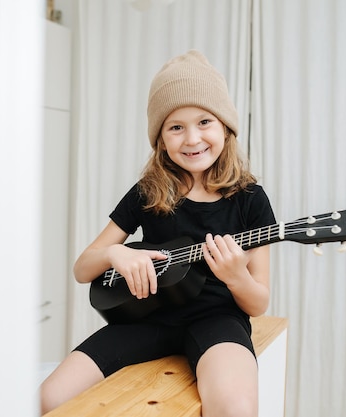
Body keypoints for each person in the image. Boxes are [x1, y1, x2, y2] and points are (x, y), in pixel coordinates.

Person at [40, 50, 276, 417]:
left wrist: (234, 277)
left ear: (225, 127)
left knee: (236, 407)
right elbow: (82, 269)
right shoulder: (148, 192)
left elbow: (258, 303)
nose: (192, 138)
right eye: (175, 127)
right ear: (161, 138)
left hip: (219, 321)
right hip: (147, 320)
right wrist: (115, 254)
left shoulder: (249, 199)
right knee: (49, 398)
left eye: (204, 121)